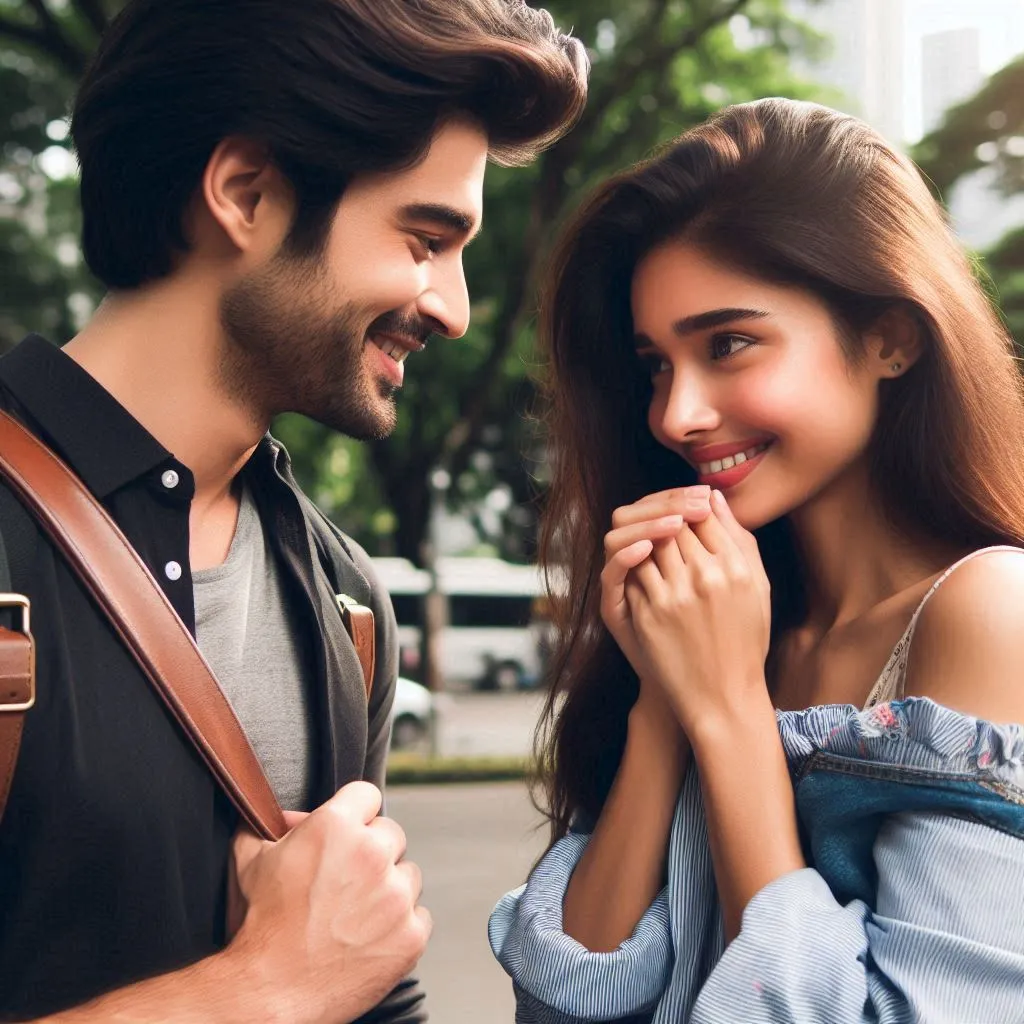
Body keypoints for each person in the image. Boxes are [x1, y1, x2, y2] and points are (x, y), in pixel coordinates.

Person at [0, 1, 587, 1021]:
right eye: (423, 238)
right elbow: (302, 978)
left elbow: (360, 987)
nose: (449, 304)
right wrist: (258, 989)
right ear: (246, 193)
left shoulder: (348, 603)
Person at [489, 98, 1024, 1022]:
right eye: (655, 363)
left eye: (729, 344)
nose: (675, 414)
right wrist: (669, 695)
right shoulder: (724, 613)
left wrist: (732, 710)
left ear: (891, 338)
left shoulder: (986, 610)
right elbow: (567, 1004)